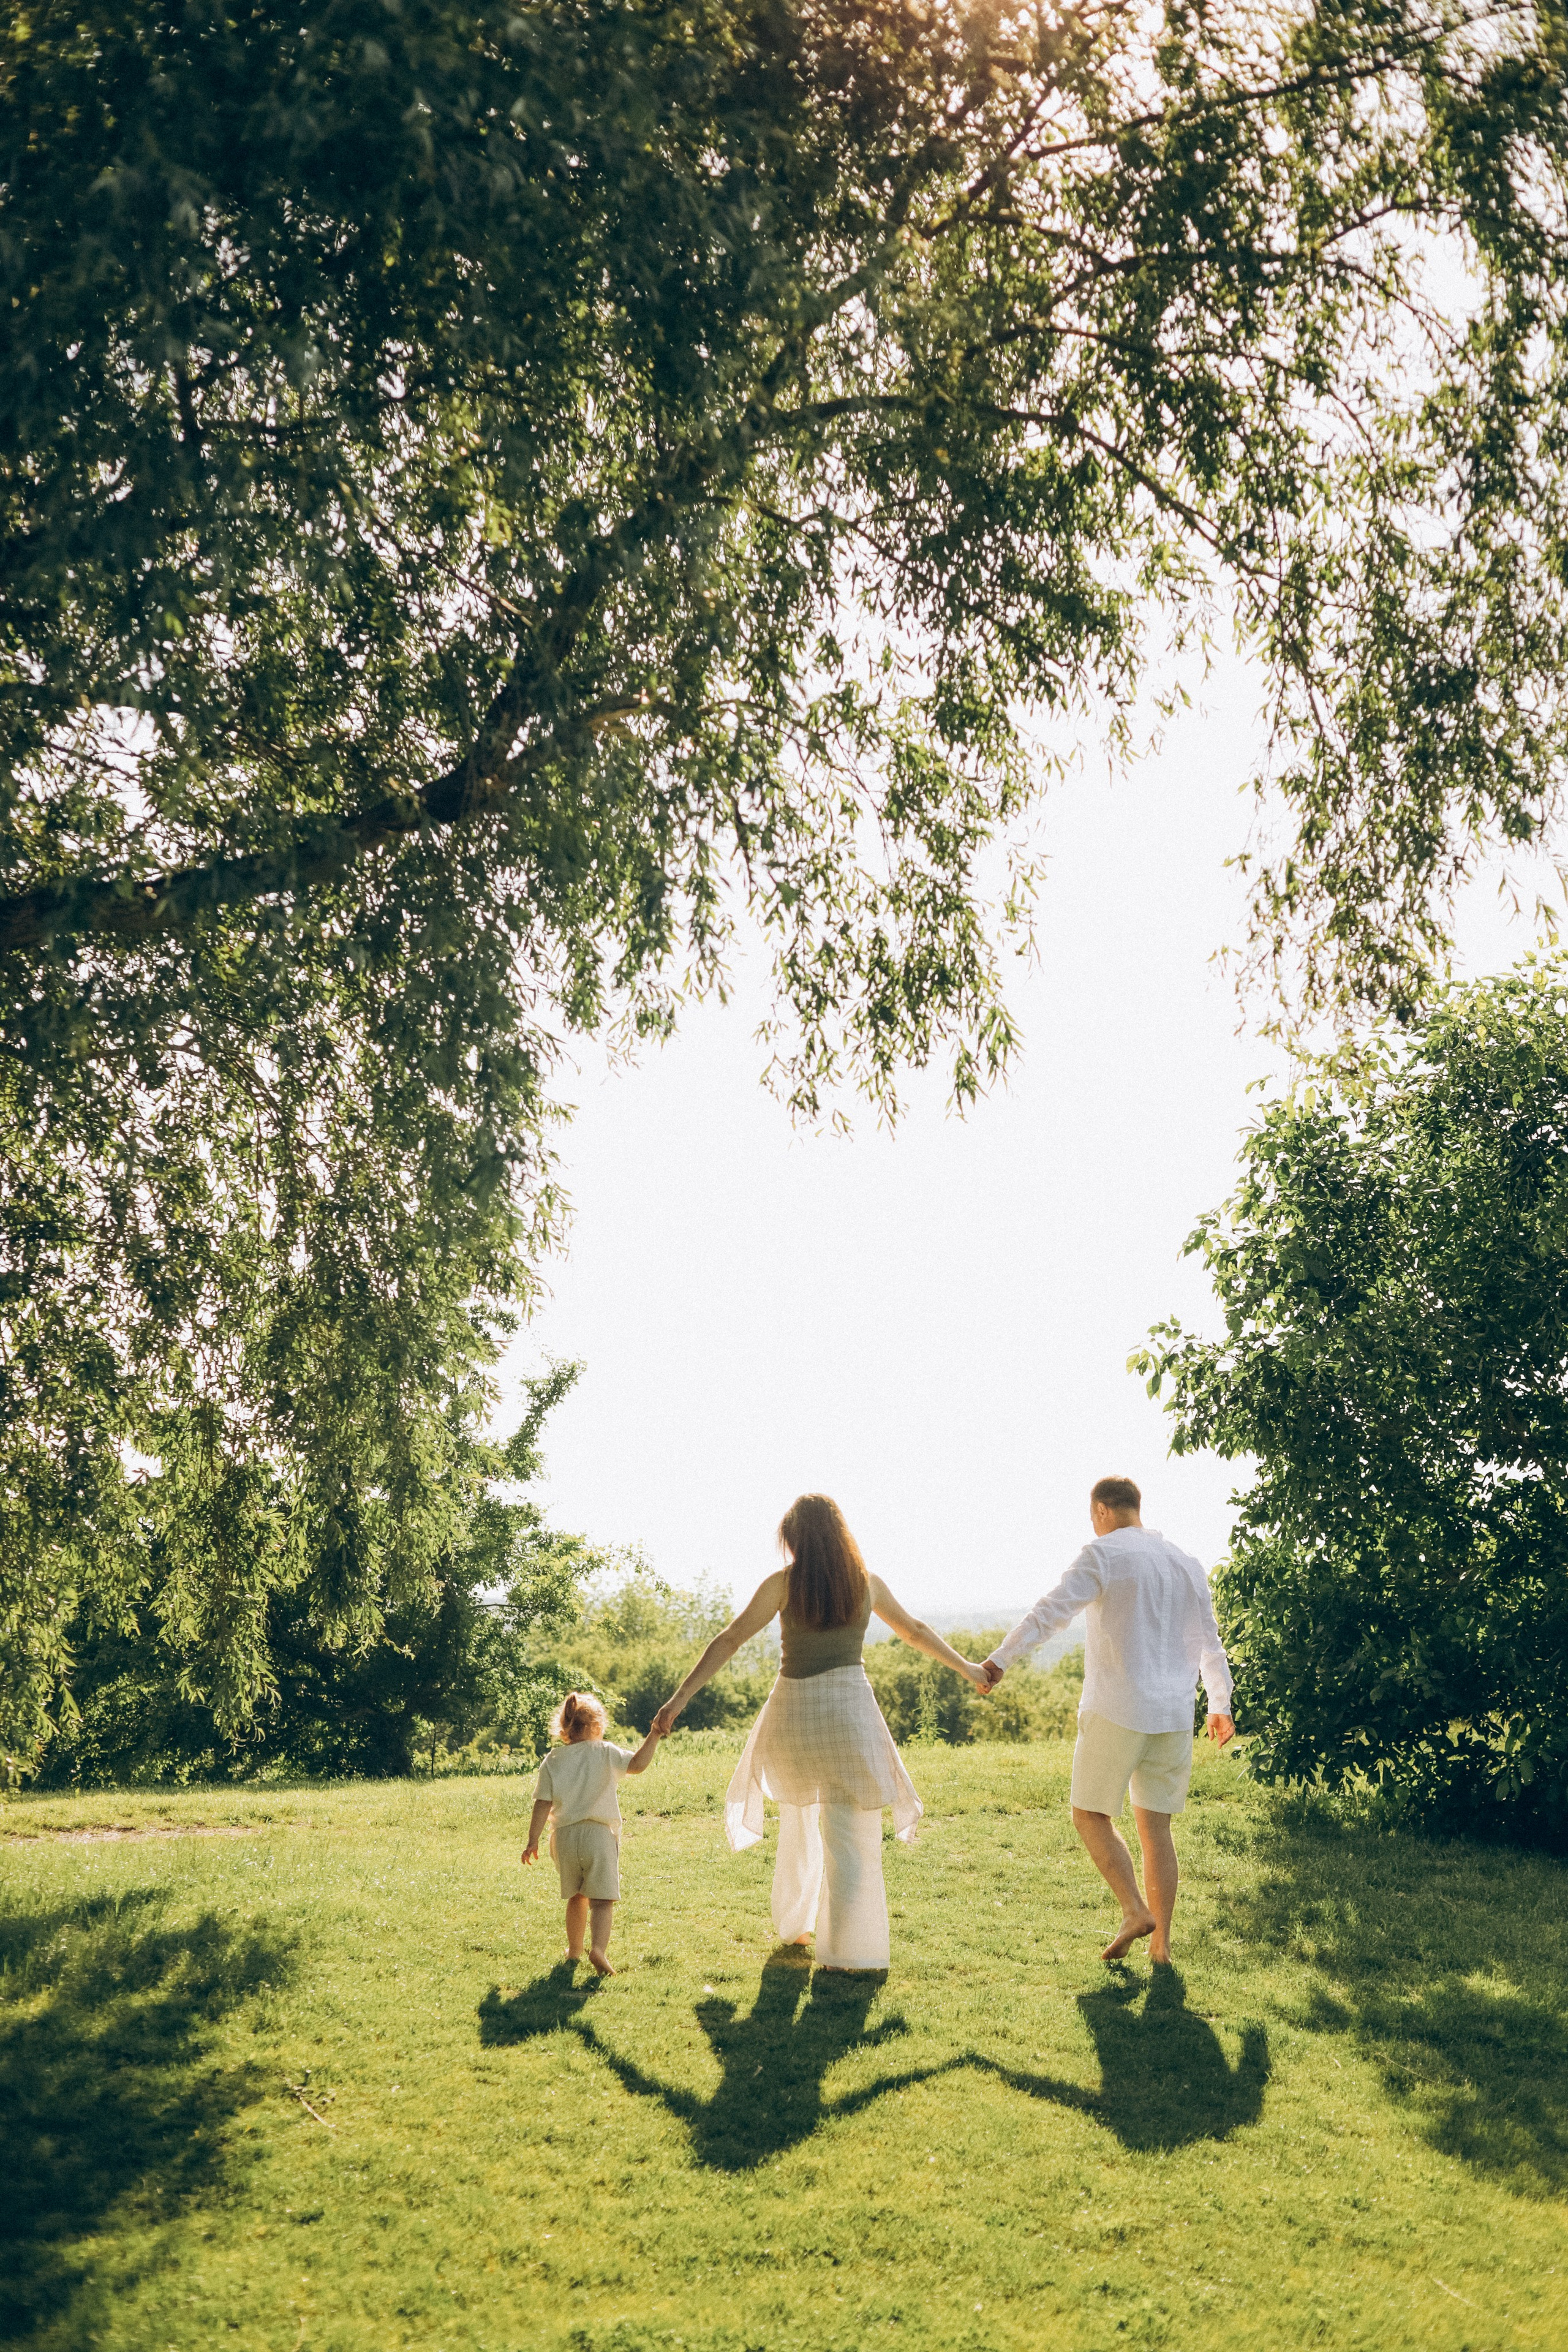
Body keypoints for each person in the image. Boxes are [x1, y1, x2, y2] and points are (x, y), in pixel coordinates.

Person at [652, 1493, 989, 1972]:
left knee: (799, 1822)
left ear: (795, 1539)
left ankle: (796, 1926)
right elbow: (913, 1630)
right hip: (848, 1714)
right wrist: (969, 1669)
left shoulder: (784, 1584)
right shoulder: (866, 1583)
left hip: (795, 1719)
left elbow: (729, 1639)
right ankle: (852, 1952)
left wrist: (678, 1700)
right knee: (852, 1836)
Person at [982, 1477, 1234, 1966]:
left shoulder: (1103, 1555)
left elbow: (1048, 1614)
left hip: (1118, 1708)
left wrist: (998, 1661)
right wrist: (1219, 1705)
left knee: (1089, 1814)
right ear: (1136, 1507)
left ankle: (1134, 1911)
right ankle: (1161, 1950)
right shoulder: (1187, 1563)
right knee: (1156, 1831)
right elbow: (1210, 1641)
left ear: (1101, 1511)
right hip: (1174, 1716)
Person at [522, 1691, 663, 1976]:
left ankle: (574, 1950)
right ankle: (598, 1950)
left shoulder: (553, 1760)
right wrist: (655, 1735)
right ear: (597, 1727)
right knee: (601, 1901)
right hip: (598, 1835)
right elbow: (637, 1765)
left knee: (576, 1896)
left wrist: (532, 1840)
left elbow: (543, 1803)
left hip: (563, 1838)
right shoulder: (604, 1751)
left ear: (564, 1730)